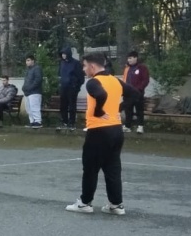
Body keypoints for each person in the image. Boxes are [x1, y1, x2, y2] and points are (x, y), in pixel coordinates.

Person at [66, 53, 137, 216]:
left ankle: (85, 203)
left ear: (92, 66)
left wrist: (98, 111)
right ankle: (116, 204)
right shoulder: (115, 80)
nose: (84, 70)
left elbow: (101, 95)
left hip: (99, 131)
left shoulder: (93, 82)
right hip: (116, 130)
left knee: (90, 168)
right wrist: (119, 108)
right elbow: (135, 94)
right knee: (113, 167)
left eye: (84, 66)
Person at [122, 51, 150, 134]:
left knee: (139, 110)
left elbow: (145, 80)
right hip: (127, 93)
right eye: (128, 58)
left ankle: (140, 126)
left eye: (130, 58)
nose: (129, 60)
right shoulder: (127, 68)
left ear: (135, 58)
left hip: (138, 93)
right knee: (128, 110)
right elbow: (125, 80)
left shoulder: (142, 68)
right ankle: (127, 126)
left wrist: (139, 89)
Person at [57, 47, 85, 130]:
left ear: (68, 54)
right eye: (62, 54)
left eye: (64, 54)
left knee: (72, 106)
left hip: (72, 88)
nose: (63, 55)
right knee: (63, 105)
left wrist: (76, 87)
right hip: (63, 87)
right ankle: (64, 121)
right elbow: (60, 75)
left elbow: (81, 77)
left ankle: (72, 122)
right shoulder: (62, 63)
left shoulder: (76, 63)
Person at [22, 55, 44, 129]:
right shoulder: (28, 70)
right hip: (28, 92)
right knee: (28, 108)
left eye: (28, 60)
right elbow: (26, 81)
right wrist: (24, 88)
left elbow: (38, 80)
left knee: (34, 107)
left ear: (33, 61)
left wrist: (29, 88)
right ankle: (32, 121)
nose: (27, 62)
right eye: (26, 61)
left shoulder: (37, 68)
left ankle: (38, 121)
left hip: (35, 92)